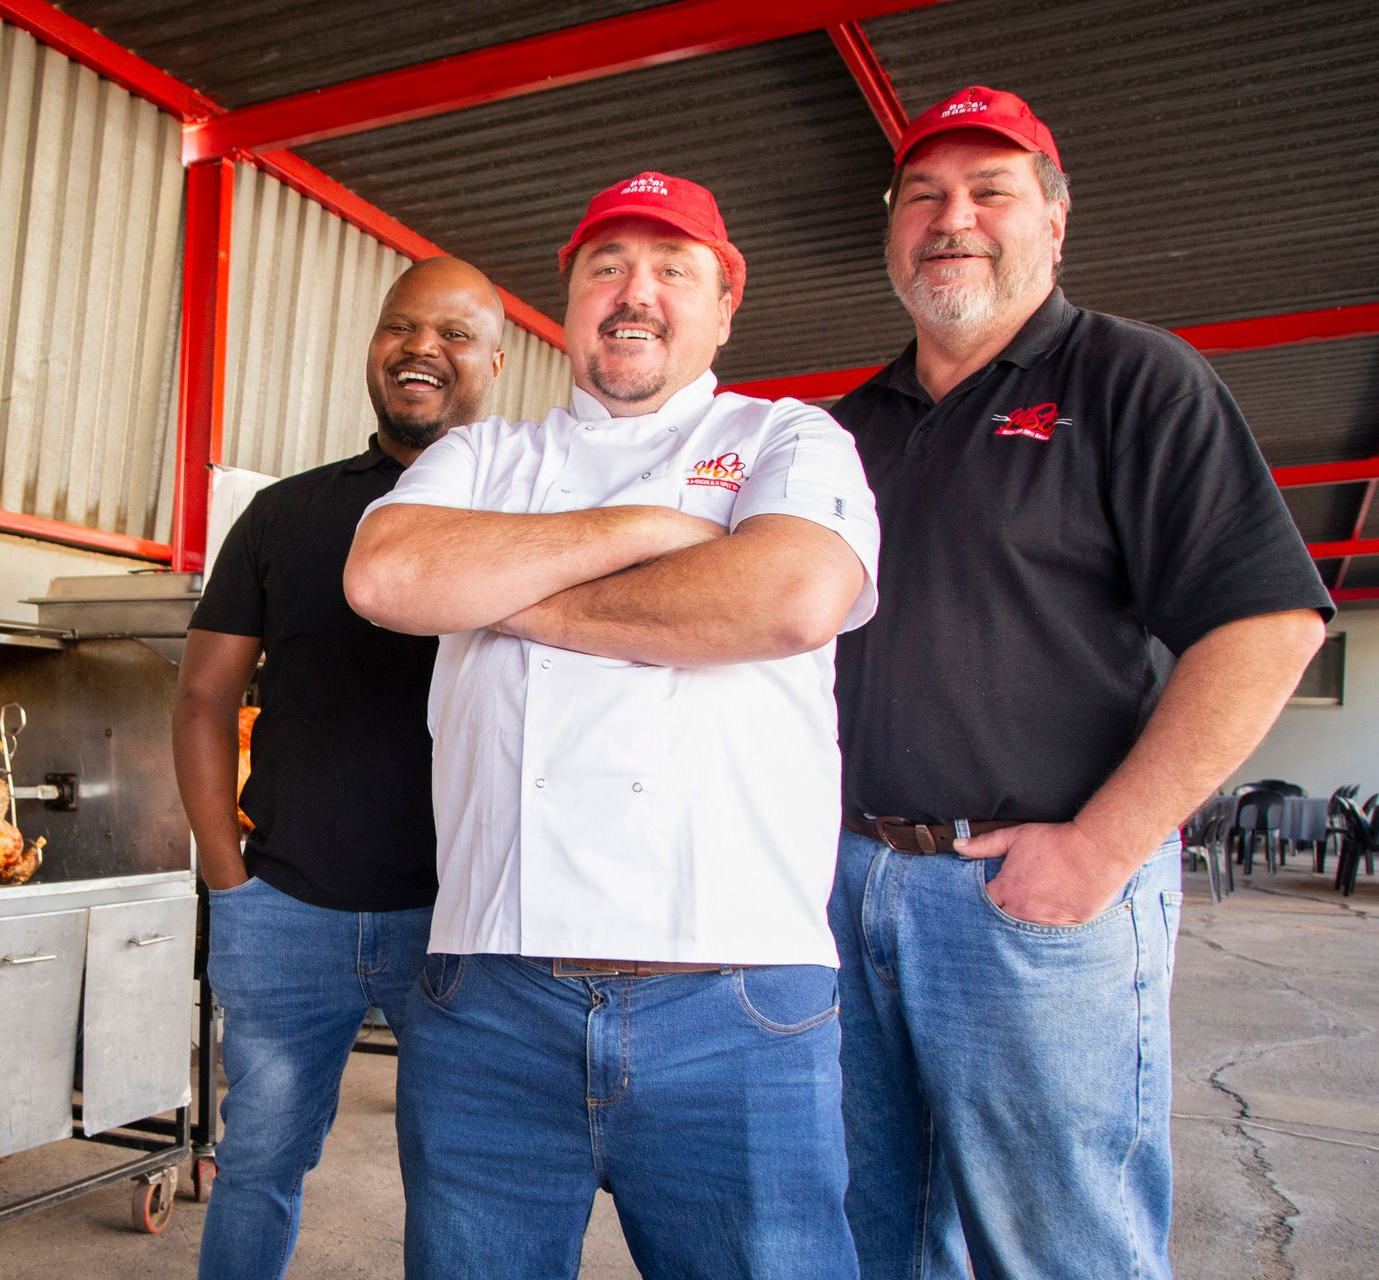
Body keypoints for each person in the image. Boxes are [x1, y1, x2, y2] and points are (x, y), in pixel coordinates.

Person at [828, 85, 1333, 1280]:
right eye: (922, 197)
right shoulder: (842, 429)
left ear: (1054, 222)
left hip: (1026, 896)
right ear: (889, 231)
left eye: (989, 191)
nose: (952, 218)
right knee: (859, 1235)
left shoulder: (1134, 379)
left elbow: (1264, 625)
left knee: (1056, 1244)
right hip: (840, 892)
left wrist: (1103, 845)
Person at [345, 172, 879, 1280]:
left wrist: (506, 594)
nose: (634, 292)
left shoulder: (790, 439)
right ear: (569, 299)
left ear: (725, 302)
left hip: (736, 996)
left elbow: (787, 598)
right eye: (606, 268)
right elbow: (388, 574)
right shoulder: (485, 455)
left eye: (671, 268)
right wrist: (645, 528)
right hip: (490, 987)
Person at [173, 256, 506, 1280]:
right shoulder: (283, 513)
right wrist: (230, 880)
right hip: (287, 909)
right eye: (401, 327)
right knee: (258, 1163)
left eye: (453, 333)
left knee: (459, 1180)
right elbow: (200, 699)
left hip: (462, 923)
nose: (421, 349)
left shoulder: (522, 508)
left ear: (495, 360)